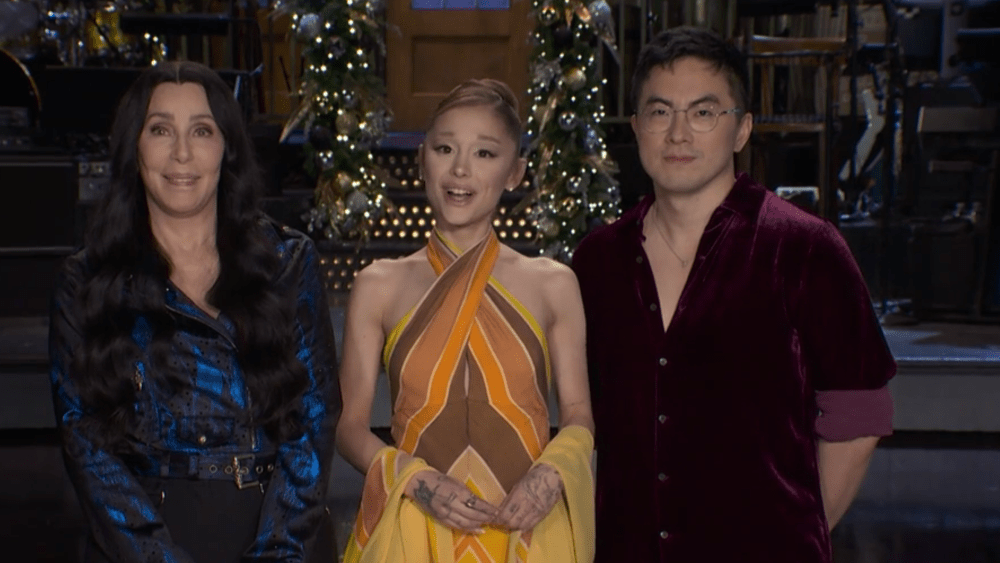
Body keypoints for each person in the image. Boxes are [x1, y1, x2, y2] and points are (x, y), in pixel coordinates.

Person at [571, 27, 896, 562]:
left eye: (703, 113)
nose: (678, 134)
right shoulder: (596, 262)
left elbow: (860, 414)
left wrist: (795, 533)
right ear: (636, 127)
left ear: (742, 129)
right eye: (659, 112)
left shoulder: (804, 248)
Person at [48, 61, 340, 563]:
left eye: (201, 131)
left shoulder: (288, 260)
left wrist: (279, 553)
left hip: (279, 532)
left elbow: (314, 419)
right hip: (143, 540)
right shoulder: (86, 280)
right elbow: (86, 443)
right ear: (134, 147)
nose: (181, 153)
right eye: (160, 130)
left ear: (227, 147)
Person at [335, 78, 595, 563]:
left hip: (525, 535)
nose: (460, 169)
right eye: (445, 149)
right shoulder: (378, 285)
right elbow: (349, 428)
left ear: (515, 172)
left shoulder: (553, 284)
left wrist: (552, 472)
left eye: (485, 153)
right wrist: (416, 480)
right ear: (422, 160)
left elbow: (579, 415)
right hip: (416, 536)